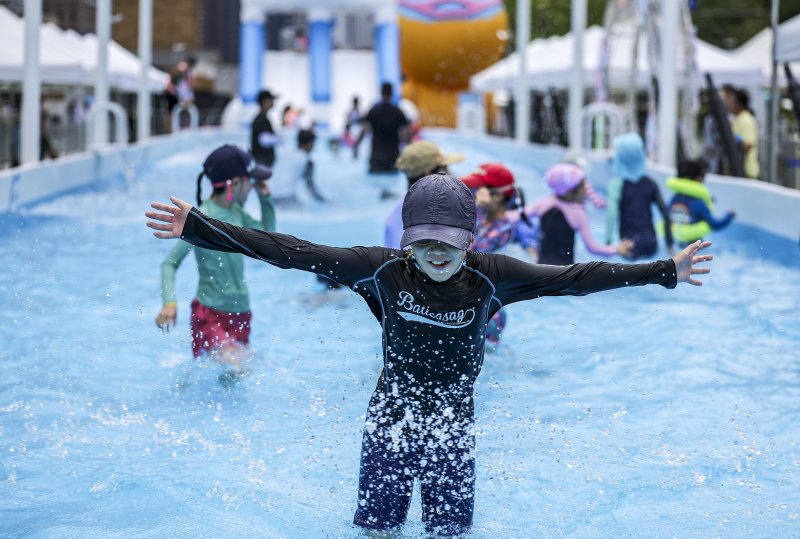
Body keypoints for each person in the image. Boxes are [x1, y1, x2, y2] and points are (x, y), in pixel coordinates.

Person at [147, 173, 712, 536]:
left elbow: (576, 277)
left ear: (473, 238)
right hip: (390, 422)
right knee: (377, 529)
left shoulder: (496, 277)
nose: (438, 253)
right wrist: (198, 226)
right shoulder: (382, 269)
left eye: (450, 241)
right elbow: (292, 252)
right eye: (425, 241)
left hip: (453, 427)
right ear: (406, 237)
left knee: (448, 533)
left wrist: (666, 270)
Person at [154, 144, 275, 383]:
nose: (252, 186)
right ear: (234, 184)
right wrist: (169, 302)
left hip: (241, 314)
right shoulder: (200, 221)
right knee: (236, 365)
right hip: (209, 314)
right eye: (249, 181)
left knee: (233, 378)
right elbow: (169, 263)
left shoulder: (239, 215)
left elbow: (270, 242)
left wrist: (266, 199)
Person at [462, 163, 538, 348]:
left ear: (497, 195)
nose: (472, 193)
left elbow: (469, 255)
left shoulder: (505, 229)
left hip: (488, 310)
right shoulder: (479, 213)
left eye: (476, 189)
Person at [527, 163, 632, 265]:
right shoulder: (578, 213)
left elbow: (516, 216)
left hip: (540, 270)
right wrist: (616, 250)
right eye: (584, 185)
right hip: (565, 274)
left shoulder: (543, 204)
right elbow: (592, 248)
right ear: (574, 189)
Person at [605, 132, 674, 259]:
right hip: (652, 246)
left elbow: (611, 214)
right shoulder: (651, 183)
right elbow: (666, 215)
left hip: (628, 247)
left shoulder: (616, 185)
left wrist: (608, 245)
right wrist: (670, 245)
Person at [386, 140, 463, 248]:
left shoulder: (398, 214)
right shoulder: (433, 217)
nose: (451, 174)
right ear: (429, 174)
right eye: (445, 168)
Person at [663, 159, 736, 246]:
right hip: (694, 247)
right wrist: (729, 215)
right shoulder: (699, 204)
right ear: (698, 179)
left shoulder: (674, 199)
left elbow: (666, 218)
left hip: (676, 243)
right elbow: (715, 225)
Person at [355, 82, 409, 175]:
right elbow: (405, 135)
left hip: (377, 156)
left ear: (381, 93)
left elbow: (364, 130)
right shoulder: (398, 112)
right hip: (393, 157)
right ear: (392, 93)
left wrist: (356, 145)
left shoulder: (374, 111)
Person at [725, 88, 760, 179]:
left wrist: (730, 147)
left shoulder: (745, 120)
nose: (729, 105)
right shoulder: (738, 119)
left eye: (732, 102)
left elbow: (747, 144)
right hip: (739, 172)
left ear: (739, 104)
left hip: (745, 172)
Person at [251, 89, 279, 168]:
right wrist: (276, 139)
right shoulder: (261, 120)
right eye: (271, 100)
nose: (273, 102)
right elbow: (263, 139)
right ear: (265, 101)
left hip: (263, 161)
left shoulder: (263, 118)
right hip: (262, 161)